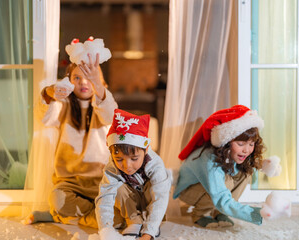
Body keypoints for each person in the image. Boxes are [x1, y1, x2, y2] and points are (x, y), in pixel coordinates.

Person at [23, 53, 118, 227]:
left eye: (89, 77)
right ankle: (95, 217)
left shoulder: (103, 102)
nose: (83, 82)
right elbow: (42, 116)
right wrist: (49, 92)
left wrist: (97, 84)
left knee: (125, 206)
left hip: (102, 181)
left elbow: (111, 114)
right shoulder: (64, 105)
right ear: (69, 81)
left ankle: (60, 216)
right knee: (58, 200)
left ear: (100, 81)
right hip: (70, 183)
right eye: (77, 78)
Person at [173, 105, 267, 228]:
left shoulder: (234, 153)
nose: (247, 150)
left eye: (251, 144)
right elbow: (221, 196)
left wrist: (267, 165)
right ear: (227, 142)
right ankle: (200, 214)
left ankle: (220, 212)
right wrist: (257, 214)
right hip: (188, 190)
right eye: (240, 144)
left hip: (207, 186)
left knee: (245, 173)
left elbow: (248, 169)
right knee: (226, 183)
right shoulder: (210, 159)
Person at [95, 109, 171, 239]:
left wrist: (148, 233)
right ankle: (134, 221)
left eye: (134, 158)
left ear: (146, 149)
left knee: (156, 189)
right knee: (115, 188)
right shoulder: (111, 168)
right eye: (119, 159)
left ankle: (149, 223)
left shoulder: (156, 164)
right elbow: (105, 199)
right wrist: (105, 230)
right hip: (131, 205)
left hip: (150, 205)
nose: (127, 165)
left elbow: (160, 198)